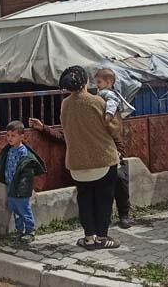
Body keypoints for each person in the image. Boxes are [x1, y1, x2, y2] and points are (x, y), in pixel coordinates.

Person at [57, 65, 122, 250]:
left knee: (84, 201)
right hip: (103, 160)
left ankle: (88, 239)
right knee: (103, 201)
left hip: (76, 164)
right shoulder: (97, 101)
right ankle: (102, 238)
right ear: (85, 81)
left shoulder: (65, 104)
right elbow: (114, 128)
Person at [0, 120, 47, 243]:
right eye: (8, 135)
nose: (9, 138)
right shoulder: (9, 150)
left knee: (24, 210)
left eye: (13, 135)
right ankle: (19, 230)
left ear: (21, 137)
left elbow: (27, 174)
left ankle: (30, 231)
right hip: (11, 187)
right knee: (15, 210)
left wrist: (22, 189)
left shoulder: (24, 153)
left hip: (21, 189)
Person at [94, 68, 134, 229]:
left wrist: (108, 117)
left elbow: (111, 112)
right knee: (104, 182)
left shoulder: (109, 96)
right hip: (102, 142)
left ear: (109, 82)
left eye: (99, 82)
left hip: (115, 142)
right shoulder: (98, 97)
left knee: (119, 179)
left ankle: (124, 214)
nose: (97, 85)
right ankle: (106, 215)